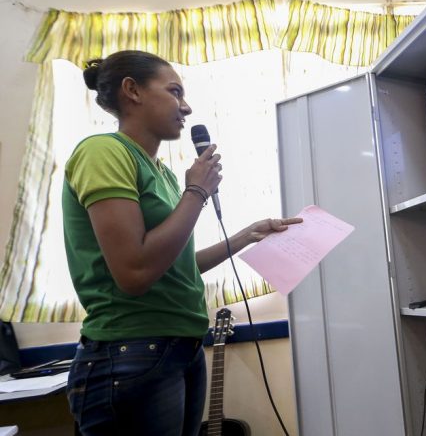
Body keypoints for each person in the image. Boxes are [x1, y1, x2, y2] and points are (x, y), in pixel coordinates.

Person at [63, 50, 302, 436]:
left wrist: (247, 235)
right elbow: (135, 273)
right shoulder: (103, 151)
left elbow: (174, 264)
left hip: (181, 348)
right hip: (131, 352)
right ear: (132, 91)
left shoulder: (164, 175)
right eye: (175, 92)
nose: (186, 107)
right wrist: (197, 191)